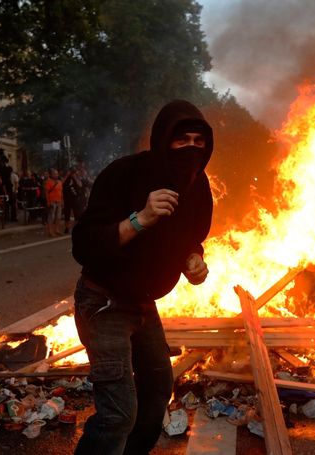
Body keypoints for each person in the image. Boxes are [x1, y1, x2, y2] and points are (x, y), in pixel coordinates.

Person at [71, 100, 214, 454]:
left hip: (142, 304)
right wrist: (141, 219)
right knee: (118, 413)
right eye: (182, 141)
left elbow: (190, 237)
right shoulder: (123, 174)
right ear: (163, 140)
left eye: (200, 141)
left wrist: (194, 260)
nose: (192, 149)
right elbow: (84, 245)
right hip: (103, 302)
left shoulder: (198, 185)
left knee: (157, 392)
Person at [44, 168, 63, 236]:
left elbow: (61, 192)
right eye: (54, 174)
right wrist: (48, 202)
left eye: (57, 174)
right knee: (51, 217)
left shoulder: (60, 182)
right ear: (51, 174)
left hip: (59, 201)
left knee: (58, 217)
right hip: (52, 201)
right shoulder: (49, 181)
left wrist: (62, 201)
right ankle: (50, 231)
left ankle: (56, 230)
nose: (56, 175)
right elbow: (46, 192)